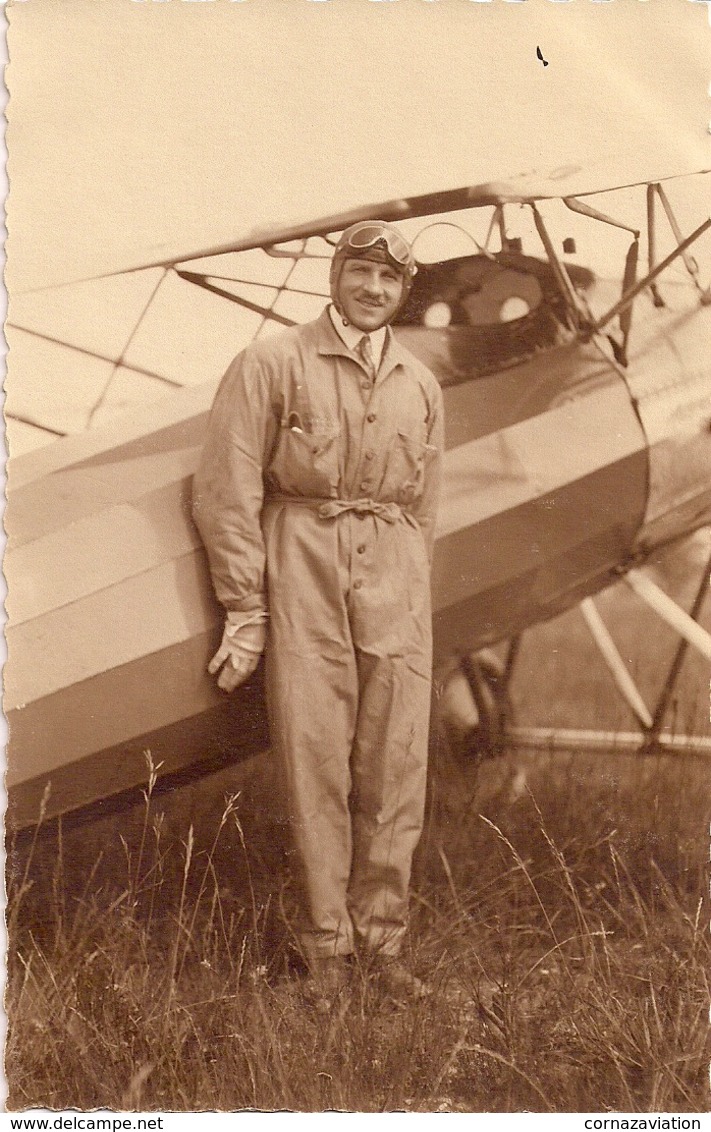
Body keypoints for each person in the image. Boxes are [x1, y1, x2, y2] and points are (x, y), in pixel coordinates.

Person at [192, 220, 444, 1000]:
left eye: (389, 281)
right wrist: (245, 605)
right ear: (334, 276)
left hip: (395, 574)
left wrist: (411, 591)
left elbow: (425, 506)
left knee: (395, 761)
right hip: (302, 560)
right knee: (315, 756)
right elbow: (226, 488)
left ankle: (383, 943)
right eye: (360, 273)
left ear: (404, 293)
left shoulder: (420, 382)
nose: (373, 290)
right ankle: (326, 949)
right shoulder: (270, 362)